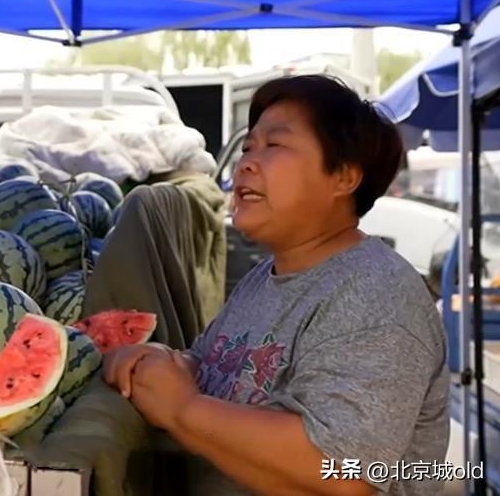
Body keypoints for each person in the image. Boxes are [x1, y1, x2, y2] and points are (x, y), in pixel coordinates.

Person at [103, 74, 450, 496]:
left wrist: (183, 410)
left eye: (275, 145)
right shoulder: (264, 278)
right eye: (248, 147)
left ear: (344, 177)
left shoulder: (378, 295)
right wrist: (164, 360)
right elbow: (214, 370)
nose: (246, 162)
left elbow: (344, 474)